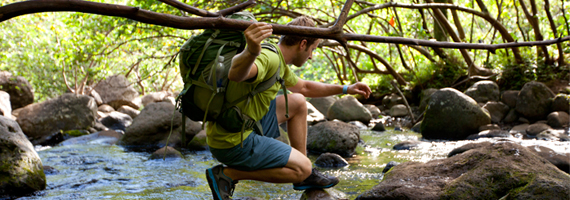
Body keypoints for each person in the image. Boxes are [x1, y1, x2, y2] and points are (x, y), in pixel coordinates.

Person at [205, 16, 372, 200]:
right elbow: (236, 74)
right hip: (233, 142)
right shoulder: (269, 57)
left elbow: (304, 87)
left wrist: (346, 88)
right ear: (302, 44)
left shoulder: (279, 61)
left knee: (298, 101)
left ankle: (305, 176)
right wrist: (251, 51)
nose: (311, 56)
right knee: (302, 168)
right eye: (312, 50)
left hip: (236, 126)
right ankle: (228, 175)